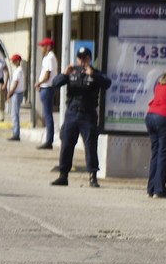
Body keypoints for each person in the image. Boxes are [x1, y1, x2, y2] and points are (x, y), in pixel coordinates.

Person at [50, 46, 112, 187]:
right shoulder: (72, 72)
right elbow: (55, 83)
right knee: (66, 144)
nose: (82, 61)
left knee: (90, 145)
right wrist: (65, 74)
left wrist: (93, 75)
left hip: (88, 114)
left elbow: (107, 83)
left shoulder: (95, 73)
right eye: (80, 58)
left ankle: (92, 176)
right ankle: (63, 175)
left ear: (90, 59)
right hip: (72, 112)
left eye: (85, 58)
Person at [145, 71, 166, 198]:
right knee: (163, 153)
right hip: (163, 118)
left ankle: (151, 188)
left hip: (150, 116)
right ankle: (159, 189)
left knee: (156, 153)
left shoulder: (160, 84)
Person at [35, 37, 58, 149]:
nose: (41, 48)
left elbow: (47, 75)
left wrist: (38, 83)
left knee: (48, 115)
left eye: (43, 46)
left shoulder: (49, 58)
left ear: (48, 47)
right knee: (48, 114)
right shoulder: (49, 57)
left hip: (47, 88)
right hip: (47, 88)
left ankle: (49, 140)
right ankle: (49, 139)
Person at [6, 54, 25, 141]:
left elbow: (15, 83)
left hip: (16, 93)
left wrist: (10, 93)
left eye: (14, 61)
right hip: (17, 93)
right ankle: (15, 132)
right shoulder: (18, 70)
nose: (12, 62)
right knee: (14, 114)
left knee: (15, 114)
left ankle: (16, 134)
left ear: (17, 61)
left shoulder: (18, 71)